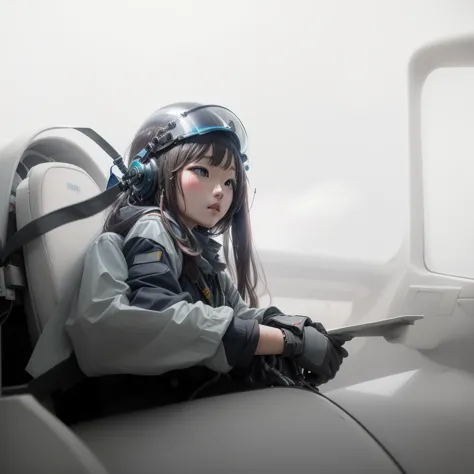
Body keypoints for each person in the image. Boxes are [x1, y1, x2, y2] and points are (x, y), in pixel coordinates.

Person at [59, 102, 350, 421]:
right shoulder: (152, 228)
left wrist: (288, 324)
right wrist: (287, 342)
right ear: (150, 174)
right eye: (202, 171)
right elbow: (160, 315)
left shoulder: (196, 250)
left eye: (229, 182)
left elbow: (236, 312)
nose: (220, 192)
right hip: (147, 416)